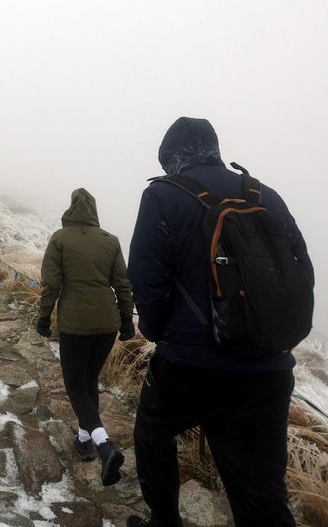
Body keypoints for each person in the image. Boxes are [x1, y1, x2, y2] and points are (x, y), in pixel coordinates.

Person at [126, 117, 314, 527]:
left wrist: (158, 333)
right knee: (261, 491)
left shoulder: (162, 196)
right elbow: (303, 271)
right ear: (215, 149)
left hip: (191, 366)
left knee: (152, 434)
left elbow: (145, 276)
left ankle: (164, 521)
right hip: (268, 371)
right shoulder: (265, 195)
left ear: (170, 159)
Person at [36, 188, 135, 486]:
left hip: (75, 324)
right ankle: (84, 441)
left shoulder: (60, 239)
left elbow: (51, 284)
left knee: (75, 386)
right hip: (107, 324)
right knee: (89, 380)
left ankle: (104, 445)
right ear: (93, 211)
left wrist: (43, 317)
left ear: (71, 210)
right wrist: (127, 320)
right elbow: (122, 284)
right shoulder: (110, 240)